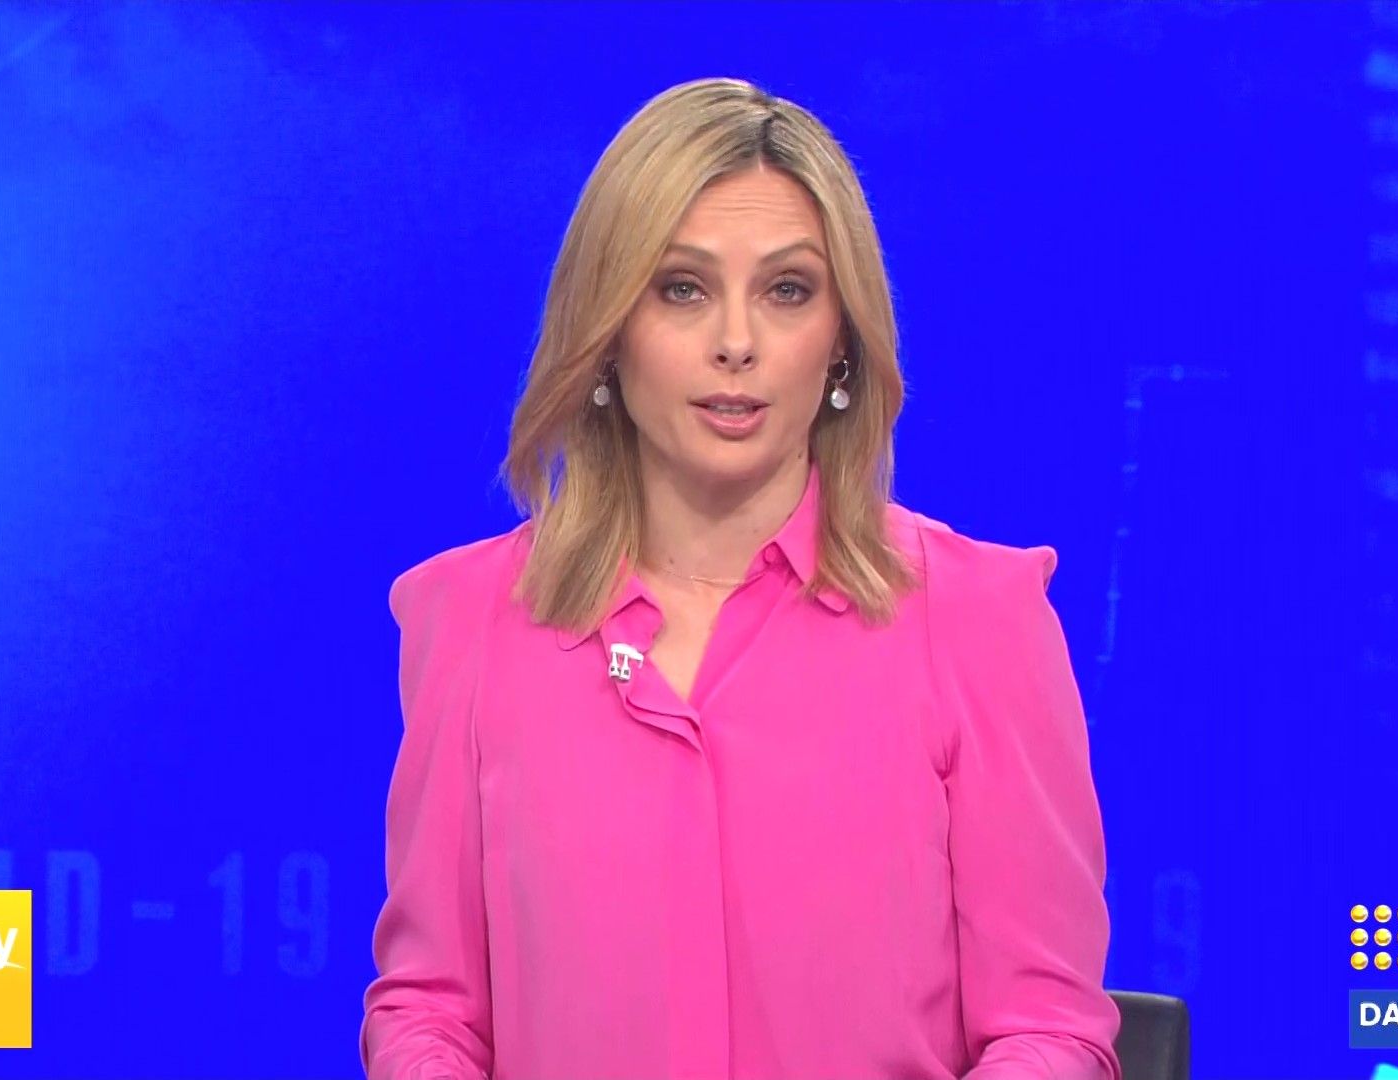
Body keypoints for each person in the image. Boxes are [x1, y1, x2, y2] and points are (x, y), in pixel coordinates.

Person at [360, 77, 1121, 1080]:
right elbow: (433, 1012)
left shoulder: (978, 619)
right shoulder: (472, 620)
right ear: (607, 331)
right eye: (682, 288)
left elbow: (1047, 1030)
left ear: (841, 343)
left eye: (786, 290)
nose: (736, 342)